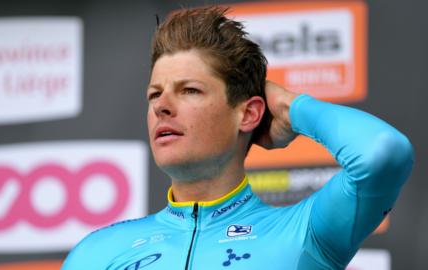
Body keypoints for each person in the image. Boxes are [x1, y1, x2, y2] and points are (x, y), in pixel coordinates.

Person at [62, 6, 414, 270]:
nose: (162, 107)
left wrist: (290, 107)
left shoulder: (303, 234)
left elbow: (382, 153)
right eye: (154, 94)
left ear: (248, 113)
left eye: (190, 90)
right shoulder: (96, 253)